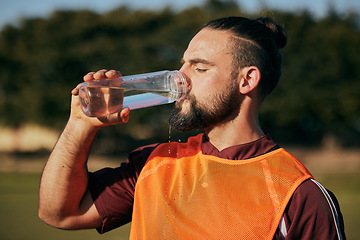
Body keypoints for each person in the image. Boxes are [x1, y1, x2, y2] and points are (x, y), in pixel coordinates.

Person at [38, 16, 346, 239]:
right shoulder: (156, 163)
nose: (180, 78)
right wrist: (79, 126)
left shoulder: (299, 194)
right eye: (183, 64)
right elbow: (60, 212)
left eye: (199, 68)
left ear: (247, 80)